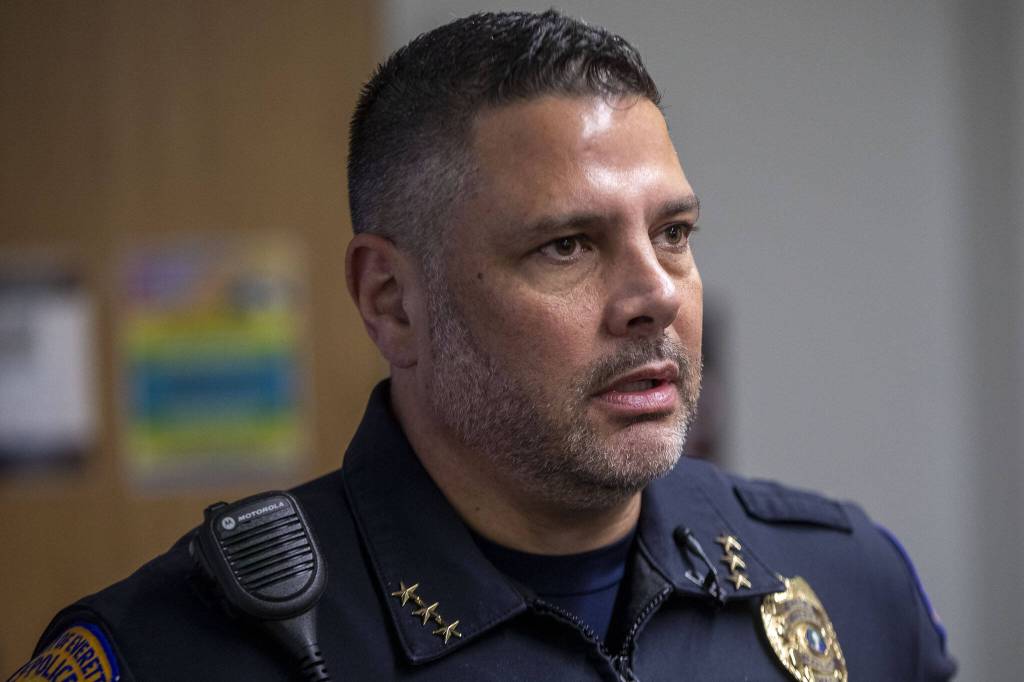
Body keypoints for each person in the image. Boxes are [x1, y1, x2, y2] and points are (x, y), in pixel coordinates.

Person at [9, 10, 955, 681]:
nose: (656, 295)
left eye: (674, 233)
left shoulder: (844, 581)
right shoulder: (192, 651)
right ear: (393, 300)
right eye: (568, 245)